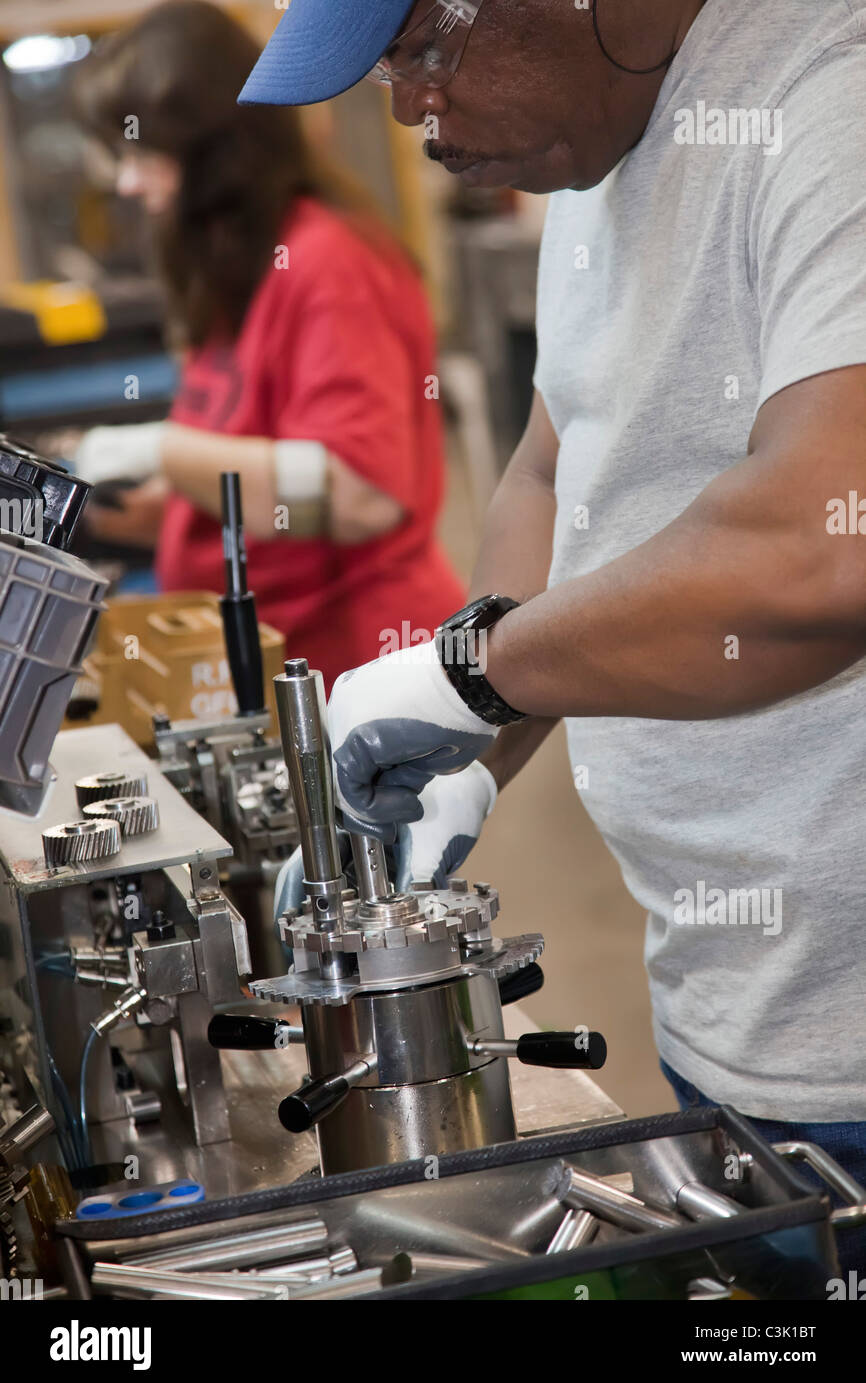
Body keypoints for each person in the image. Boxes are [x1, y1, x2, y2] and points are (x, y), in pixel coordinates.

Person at [257, 0, 866, 1269]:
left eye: (420, 49)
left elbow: (825, 548)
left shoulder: (829, 97)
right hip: (723, 999)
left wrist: (463, 675)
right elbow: (555, 465)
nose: (409, 112)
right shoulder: (594, 149)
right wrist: (471, 746)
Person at [72, 0, 463, 690]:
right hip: (265, 666)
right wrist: (130, 508)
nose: (127, 182)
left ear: (211, 150)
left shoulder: (326, 262)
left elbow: (361, 495)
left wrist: (159, 450)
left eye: (141, 153)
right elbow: (249, 484)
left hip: (354, 672)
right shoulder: (240, 269)